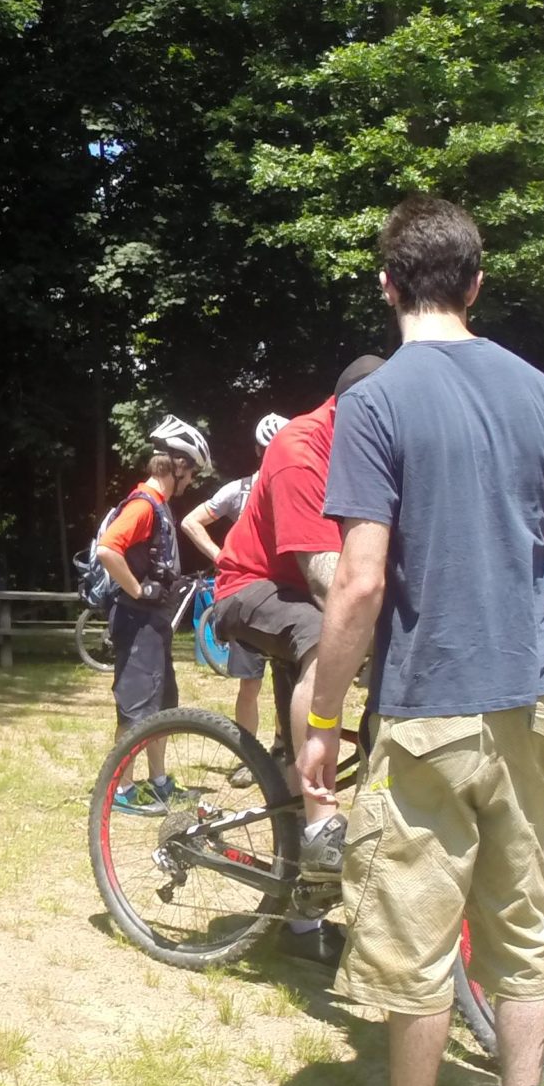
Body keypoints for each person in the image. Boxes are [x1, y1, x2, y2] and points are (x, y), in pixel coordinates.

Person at [298, 196, 544, 1086]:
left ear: (387, 284)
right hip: (525, 704)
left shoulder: (375, 403)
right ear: (474, 284)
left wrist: (324, 724)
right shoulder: (538, 395)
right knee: (521, 927)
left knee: (417, 933)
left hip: (426, 708)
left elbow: (360, 582)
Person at [210, 357, 384, 874]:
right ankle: (320, 823)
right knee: (323, 634)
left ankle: (300, 911)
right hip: (248, 586)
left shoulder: (371, 447)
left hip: (299, 591)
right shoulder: (301, 449)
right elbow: (328, 584)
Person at [96, 414, 210, 813]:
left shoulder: (160, 506)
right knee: (135, 708)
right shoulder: (144, 505)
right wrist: (138, 588)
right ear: (177, 466)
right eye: (192, 471)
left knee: (160, 706)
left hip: (154, 623)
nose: (192, 480)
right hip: (136, 621)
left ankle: (159, 782)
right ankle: (122, 791)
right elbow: (108, 549)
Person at [180, 414, 289, 741]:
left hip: (285, 596)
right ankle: (249, 755)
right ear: (259, 450)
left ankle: (285, 749)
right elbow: (190, 521)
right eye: (267, 448)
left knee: (289, 681)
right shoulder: (238, 490)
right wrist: (221, 557)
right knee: (250, 683)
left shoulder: (295, 486)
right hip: (248, 596)